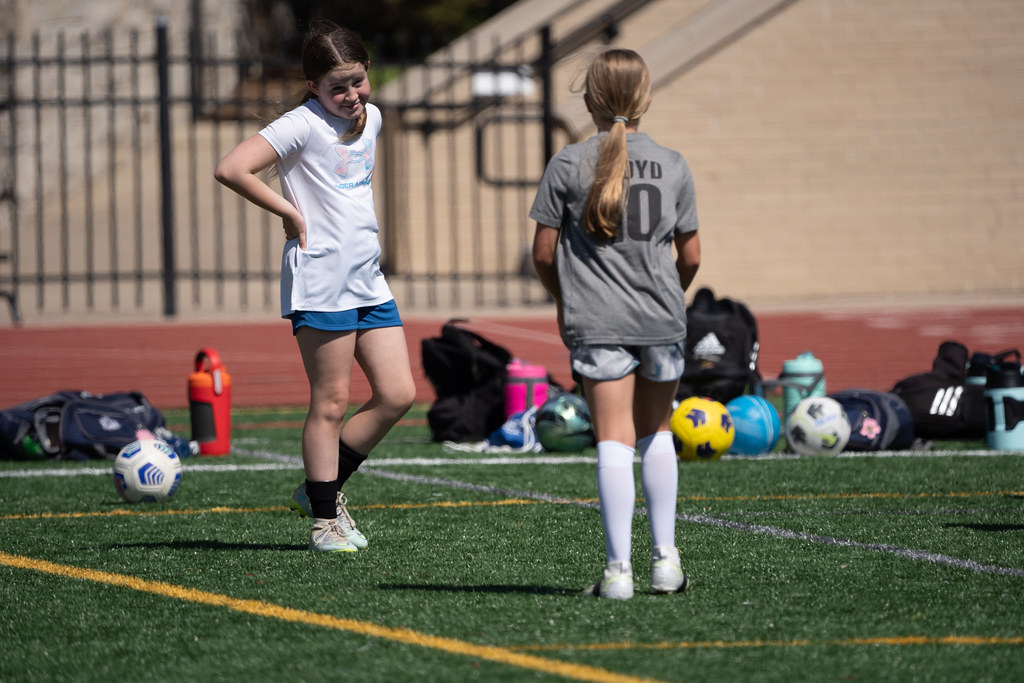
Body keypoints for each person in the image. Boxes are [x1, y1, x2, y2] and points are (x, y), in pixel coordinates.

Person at [215, 21, 415, 553]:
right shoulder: (300, 124)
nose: (351, 95)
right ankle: (324, 522)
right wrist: (290, 213)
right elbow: (231, 168)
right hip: (321, 279)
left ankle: (317, 490)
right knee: (331, 401)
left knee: (398, 394)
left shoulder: (373, 118)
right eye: (336, 87)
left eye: (357, 81)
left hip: (368, 278)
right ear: (312, 87)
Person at [530, 48, 701, 598]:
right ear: (646, 99)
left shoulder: (567, 163)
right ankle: (666, 563)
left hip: (598, 322)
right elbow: (691, 256)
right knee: (657, 432)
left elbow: (542, 254)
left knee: (612, 440)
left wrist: (565, 298)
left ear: (588, 101)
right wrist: (666, 296)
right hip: (662, 318)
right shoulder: (674, 163)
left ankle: (617, 572)